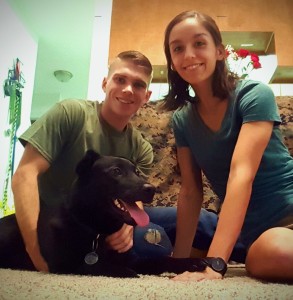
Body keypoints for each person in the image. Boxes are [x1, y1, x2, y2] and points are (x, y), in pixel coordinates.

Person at [11, 50, 174, 272]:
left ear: (146, 96)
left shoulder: (141, 148)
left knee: (195, 221)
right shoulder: (70, 113)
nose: (128, 89)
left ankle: (234, 244)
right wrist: (35, 250)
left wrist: (126, 230)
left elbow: (135, 198)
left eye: (138, 85)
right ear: (105, 83)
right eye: (120, 79)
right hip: (60, 224)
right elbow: (25, 174)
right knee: (154, 246)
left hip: (109, 221)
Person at [161, 10, 293, 282]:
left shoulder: (254, 94)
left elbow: (241, 174)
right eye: (178, 48)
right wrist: (179, 262)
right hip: (256, 236)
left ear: (219, 51)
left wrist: (216, 264)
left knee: (270, 253)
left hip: (287, 213)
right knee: (260, 255)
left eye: (199, 43)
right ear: (172, 62)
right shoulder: (182, 120)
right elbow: (189, 192)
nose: (189, 55)